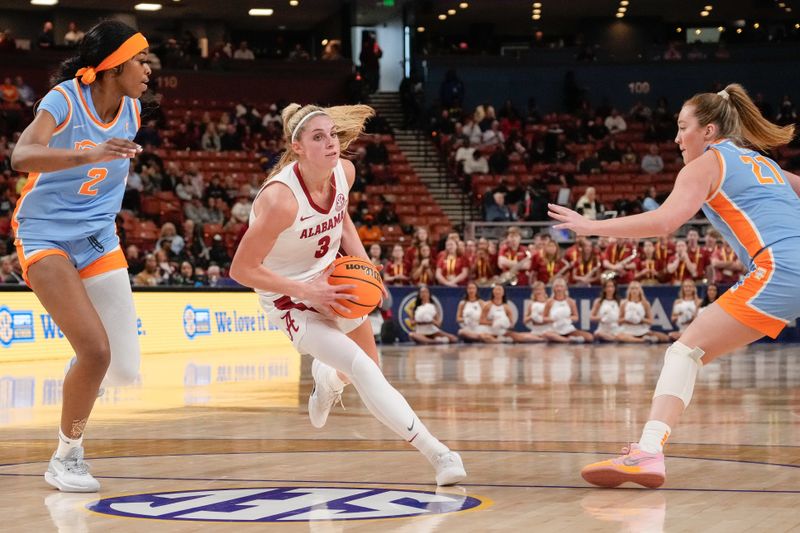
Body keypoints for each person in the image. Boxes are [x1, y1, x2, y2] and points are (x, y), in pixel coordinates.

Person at [549, 83, 800, 489]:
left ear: (710, 131)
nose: (677, 137)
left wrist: (591, 226)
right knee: (688, 350)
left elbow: (664, 223)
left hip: (781, 268)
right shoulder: (763, 163)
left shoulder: (705, 165)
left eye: (683, 127)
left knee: (685, 351)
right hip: (791, 266)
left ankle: (648, 451)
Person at [228, 103, 465, 485]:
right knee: (364, 368)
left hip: (331, 279)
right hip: (289, 297)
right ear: (298, 147)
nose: (331, 143)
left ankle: (327, 379)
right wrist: (308, 290)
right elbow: (241, 270)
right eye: (318, 137)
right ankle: (439, 453)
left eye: (333, 134)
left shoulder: (345, 172)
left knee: (363, 370)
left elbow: (341, 216)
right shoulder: (280, 200)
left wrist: (364, 262)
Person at [9, 20, 150, 492]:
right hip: (45, 233)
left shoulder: (132, 109)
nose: (148, 69)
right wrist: (87, 154)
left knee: (124, 369)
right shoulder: (64, 99)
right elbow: (22, 156)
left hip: (98, 237)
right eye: (139, 60)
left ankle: (82, 379)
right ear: (111, 65)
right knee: (96, 350)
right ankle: (66, 456)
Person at [542, 277, 594, 343]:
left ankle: (562, 339)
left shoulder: (570, 301)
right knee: (546, 334)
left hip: (568, 329)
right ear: (553, 288)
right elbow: (544, 318)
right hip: (554, 329)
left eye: (561, 286)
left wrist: (566, 319)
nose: (559, 289)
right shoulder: (549, 301)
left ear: (565, 288)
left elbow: (576, 317)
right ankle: (568, 340)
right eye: (557, 286)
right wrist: (554, 319)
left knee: (590, 337)